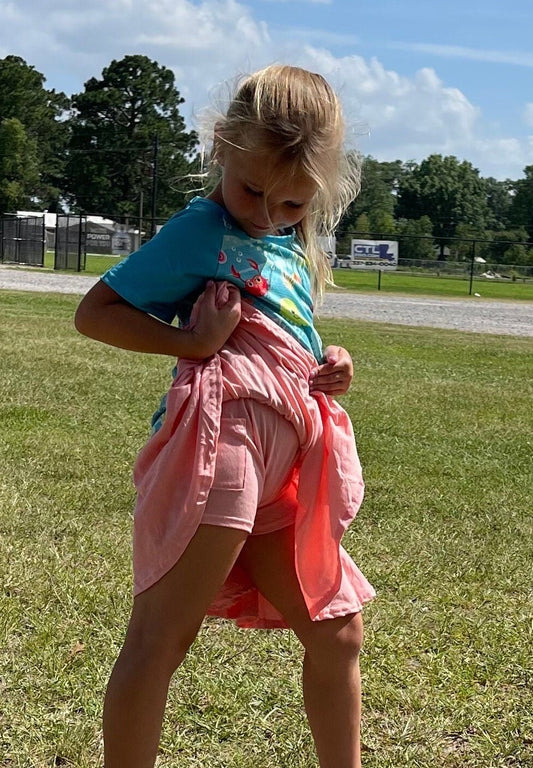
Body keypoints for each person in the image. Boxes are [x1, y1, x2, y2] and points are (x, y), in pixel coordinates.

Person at [75, 64, 375, 768]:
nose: (267, 214)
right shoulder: (199, 230)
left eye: (292, 202)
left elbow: (283, 334)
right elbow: (95, 314)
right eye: (252, 191)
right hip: (223, 444)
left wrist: (330, 362)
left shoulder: (289, 244)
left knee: (338, 633)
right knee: (161, 637)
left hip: (287, 460)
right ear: (220, 147)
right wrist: (191, 341)